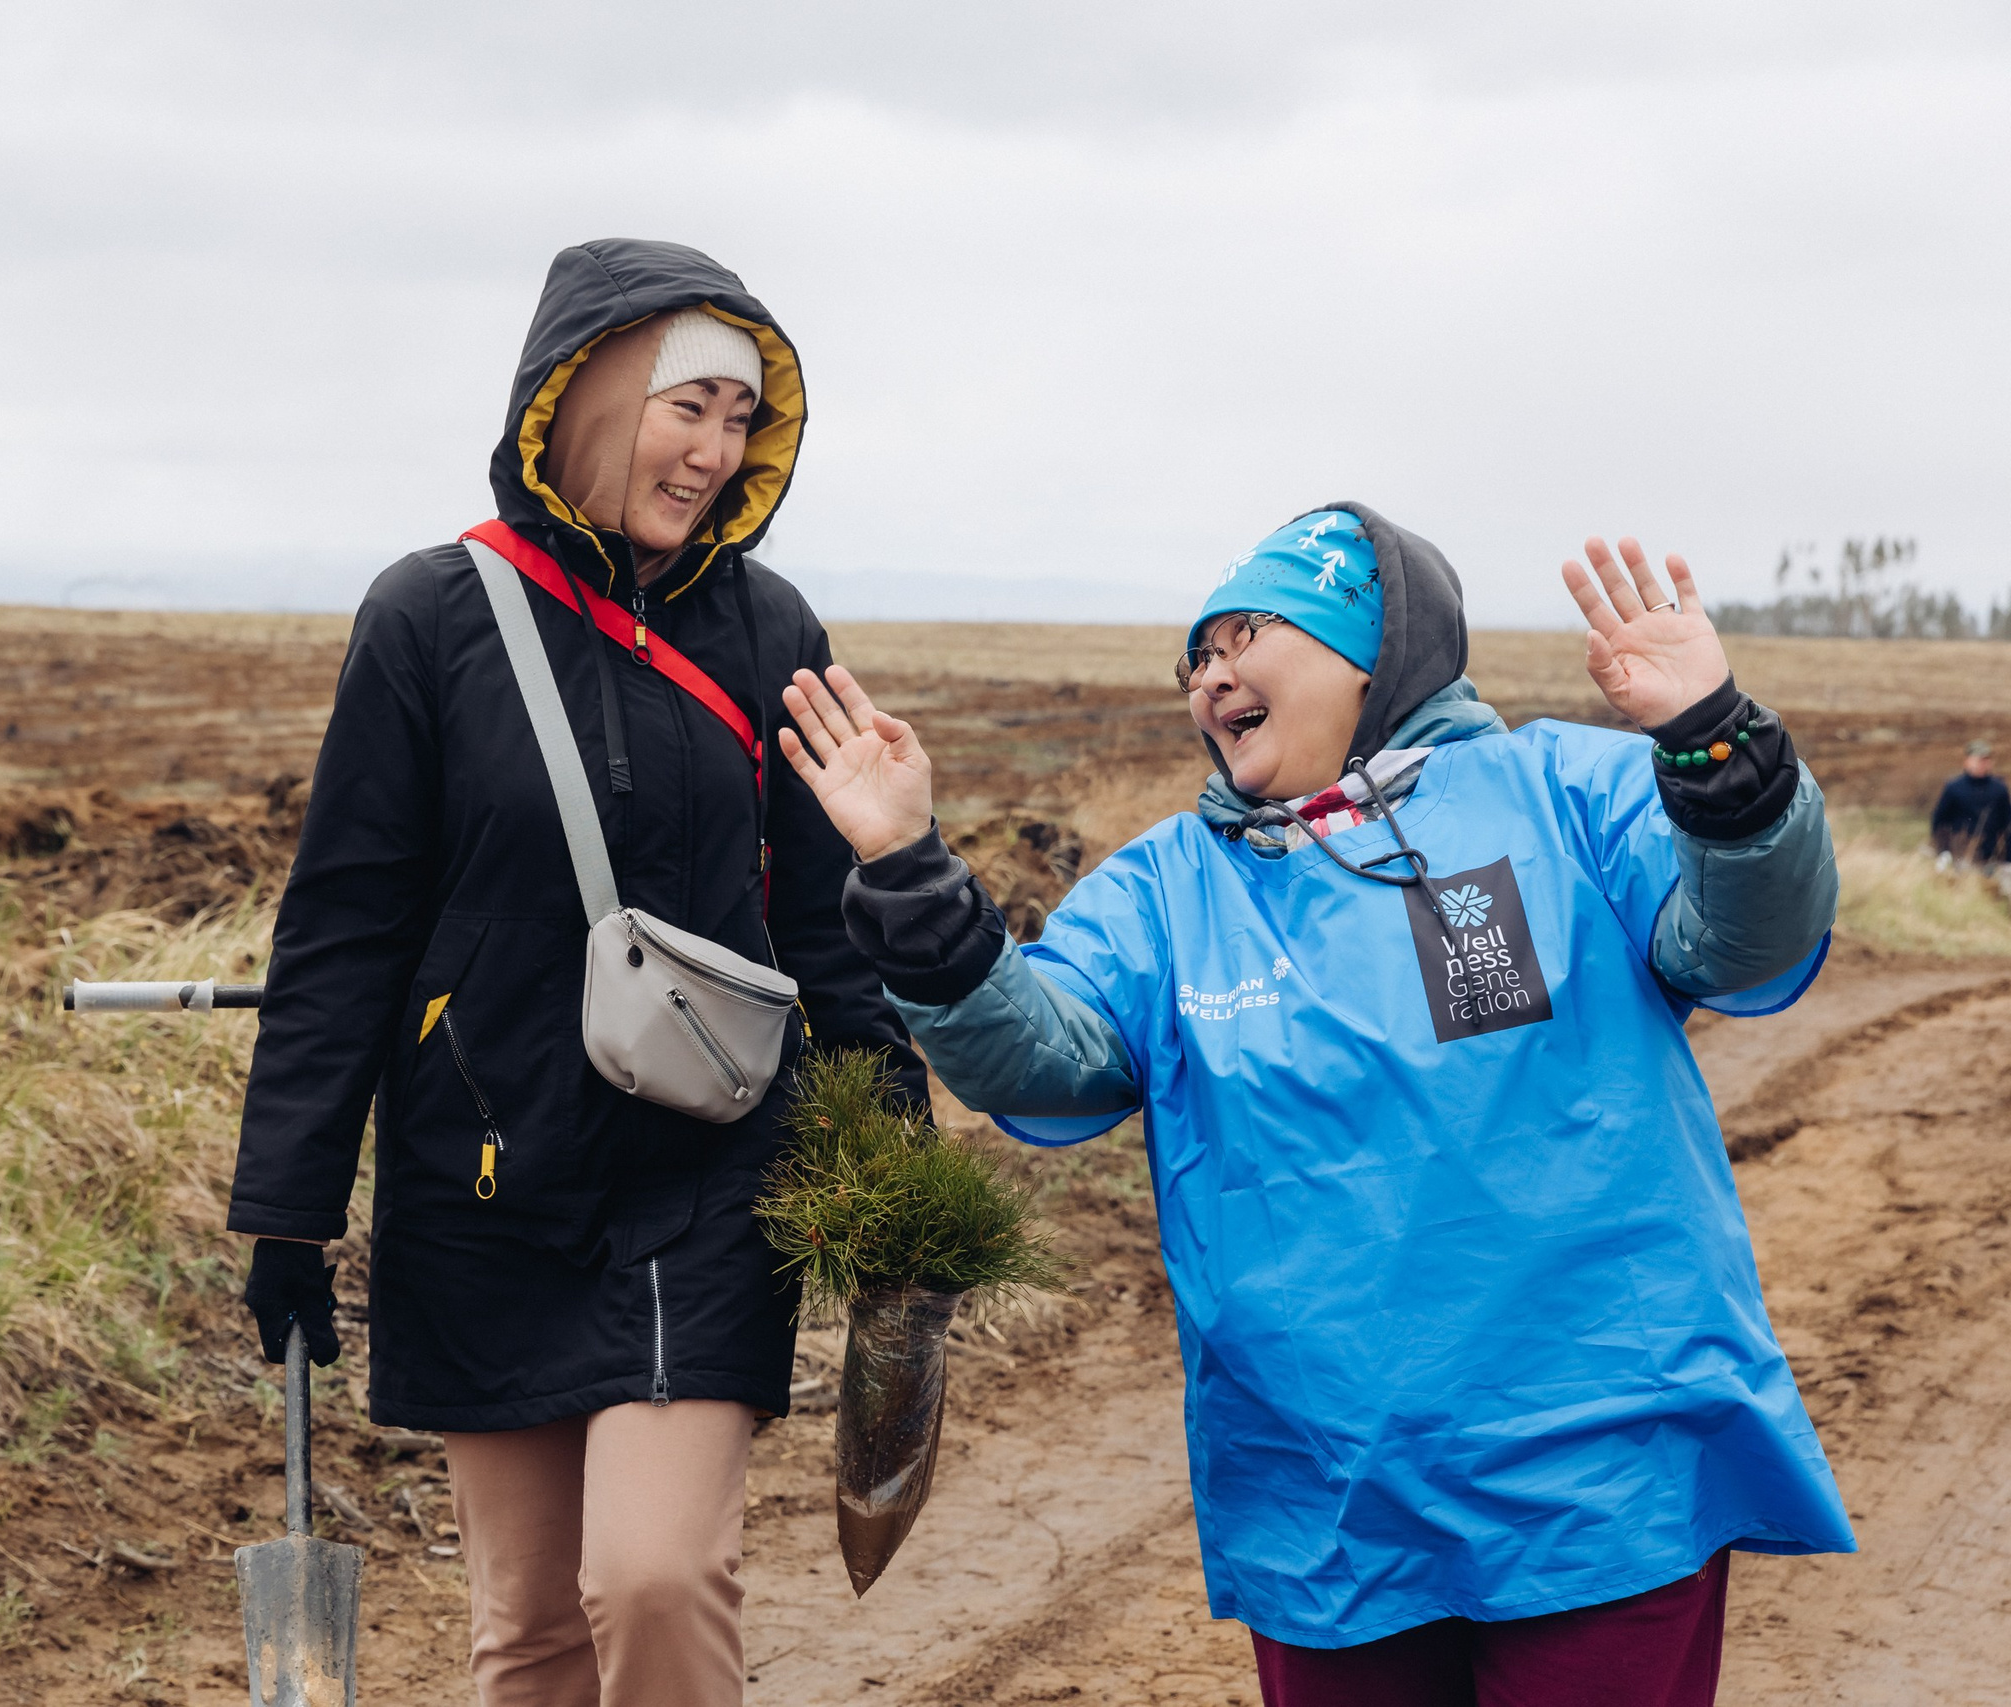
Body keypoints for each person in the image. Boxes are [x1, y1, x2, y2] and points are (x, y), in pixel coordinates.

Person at [779, 506, 1853, 1706]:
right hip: (1321, 1488)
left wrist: (1717, 749)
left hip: (1603, 1462)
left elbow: (1749, 940)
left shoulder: (1560, 790)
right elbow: (1037, 1059)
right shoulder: (1165, 888)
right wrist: (913, 877)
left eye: (1247, 634)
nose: (1210, 676)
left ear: (1371, 649)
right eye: (1195, 656)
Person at [226, 239, 925, 1707]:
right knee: (531, 1630)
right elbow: (345, 926)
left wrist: (895, 1158)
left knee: (656, 1577)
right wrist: (289, 1210)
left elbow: (822, 915)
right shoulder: (428, 619)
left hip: (708, 1175)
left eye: (743, 416)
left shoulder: (766, 630)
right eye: (691, 407)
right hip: (484, 1175)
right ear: (589, 392)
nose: (719, 452)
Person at [1929, 738, 2009, 870]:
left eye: (1986, 760)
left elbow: (2007, 824)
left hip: (1992, 857)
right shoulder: (1954, 787)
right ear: (1967, 761)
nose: (1982, 764)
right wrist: (1943, 851)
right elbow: (1939, 820)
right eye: (1978, 759)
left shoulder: (1999, 788)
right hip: (1959, 855)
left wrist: (2008, 859)